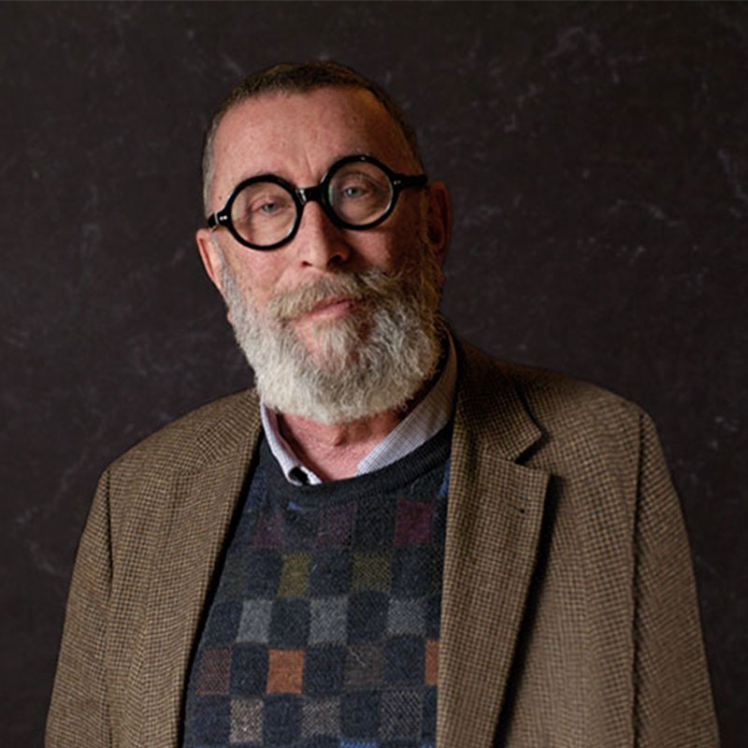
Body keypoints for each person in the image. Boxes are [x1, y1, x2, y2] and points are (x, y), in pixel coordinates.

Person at [46, 61, 719, 748]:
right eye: (267, 207)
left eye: (356, 190)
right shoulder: (135, 503)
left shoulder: (606, 461)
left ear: (434, 222)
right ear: (218, 265)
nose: (320, 248)